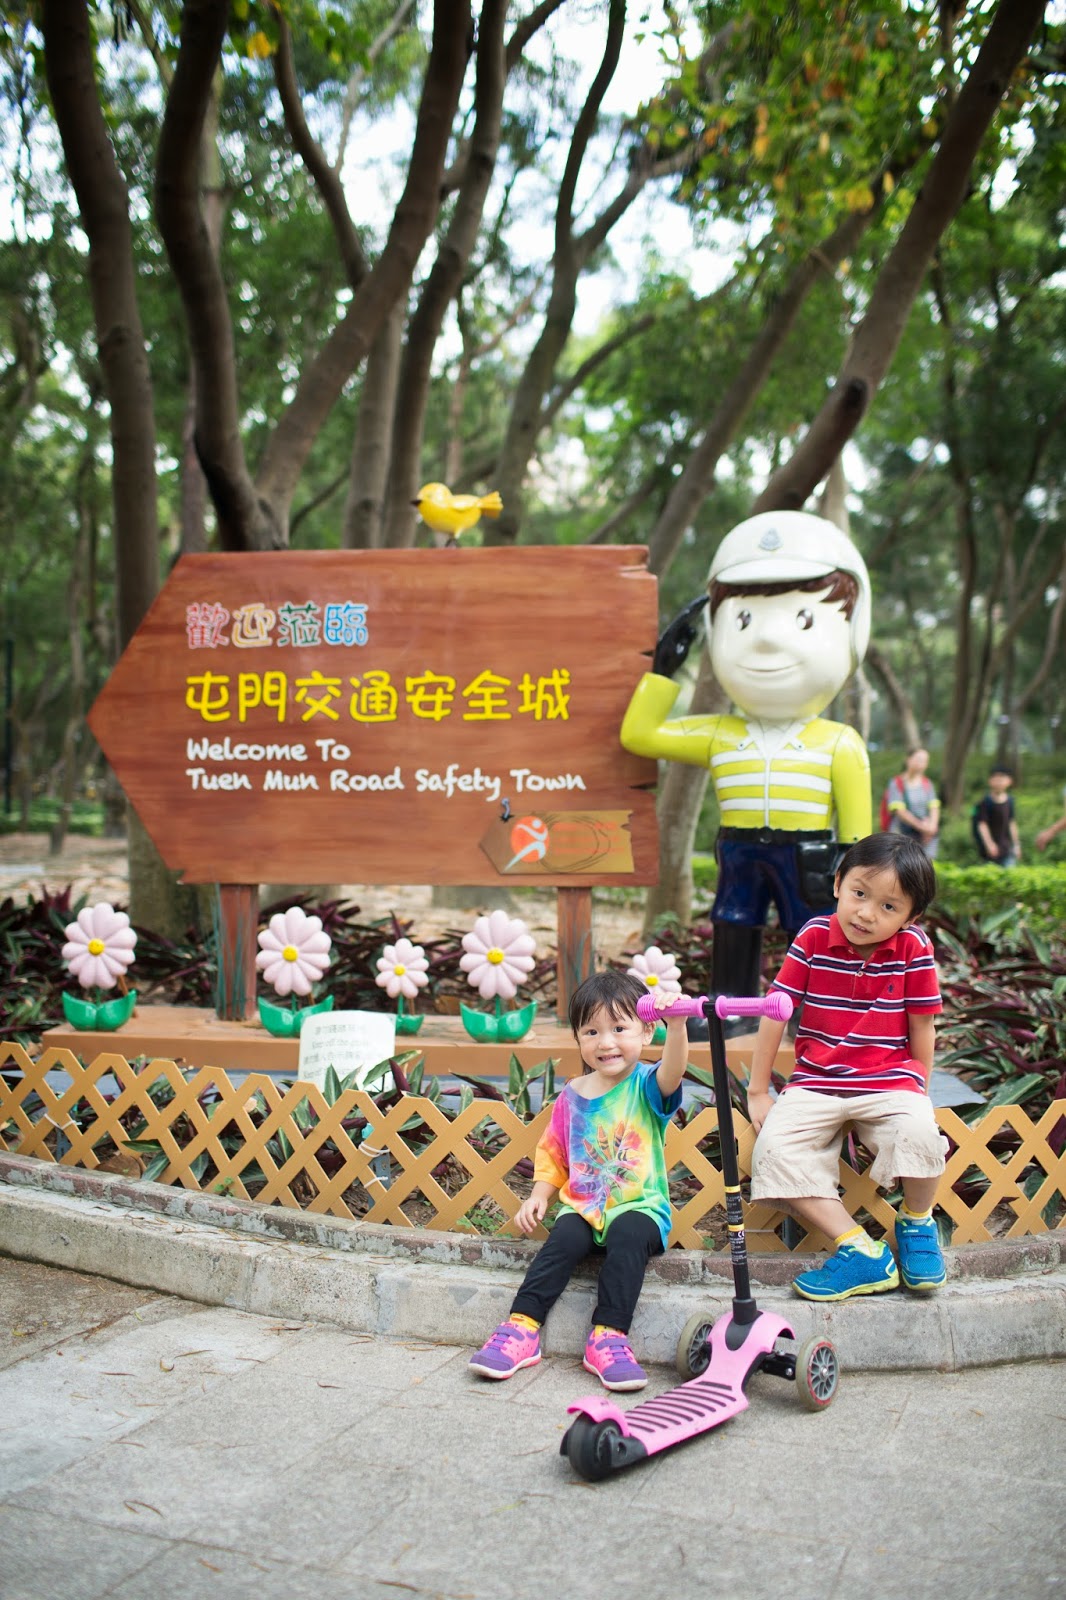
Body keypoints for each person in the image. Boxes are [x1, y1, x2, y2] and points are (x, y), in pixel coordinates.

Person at [621, 511, 872, 999]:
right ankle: (731, 1010)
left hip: (809, 855)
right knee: (733, 923)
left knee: (814, 929)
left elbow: (860, 838)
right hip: (739, 850)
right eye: (743, 618)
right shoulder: (721, 734)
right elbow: (641, 734)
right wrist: (664, 667)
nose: (765, 639)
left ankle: (817, 1010)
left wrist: (857, 877)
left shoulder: (840, 743)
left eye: (803, 618)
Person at [746, 832, 946, 1302]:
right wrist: (759, 1090)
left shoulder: (913, 949)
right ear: (838, 882)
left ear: (911, 917)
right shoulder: (813, 937)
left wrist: (920, 1086)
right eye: (860, 893)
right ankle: (860, 1250)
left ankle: (917, 1224)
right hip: (815, 1082)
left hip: (889, 1079)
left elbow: (923, 1026)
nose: (866, 913)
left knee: (920, 1133)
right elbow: (776, 1011)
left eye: (888, 907)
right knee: (772, 1153)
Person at [468, 970, 687, 1391]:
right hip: (584, 1205)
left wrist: (677, 1026)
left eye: (619, 1028)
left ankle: (608, 1337)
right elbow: (553, 1152)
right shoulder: (571, 1095)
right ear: (578, 1039)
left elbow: (674, 1070)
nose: (606, 1042)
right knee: (563, 1239)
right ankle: (521, 1327)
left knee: (626, 1235)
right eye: (592, 1031)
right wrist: (539, 1195)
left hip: (639, 1207)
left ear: (646, 1032)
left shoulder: (646, 1084)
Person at [884, 746, 940, 859]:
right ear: (908, 759)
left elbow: (934, 807)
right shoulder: (897, 783)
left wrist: (931, 828)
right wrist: (923, 828)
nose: (922, 763)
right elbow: (899, 811)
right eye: (919, 759)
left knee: (925, 866)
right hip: (902, 835)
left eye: (925, 761)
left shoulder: (927, 783)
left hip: (926, 837)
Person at [974, 765, 1022, 866]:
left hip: (1007, 848)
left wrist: (1016, 845)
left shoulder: (1010, 801)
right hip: (990, 850)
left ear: (1009, 781)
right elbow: (982, 824)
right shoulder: (985, 802)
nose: (998, 782)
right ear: (990, 781)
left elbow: (1011, 822)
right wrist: (989, 844)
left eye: (1002, 779)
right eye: (996, 779)